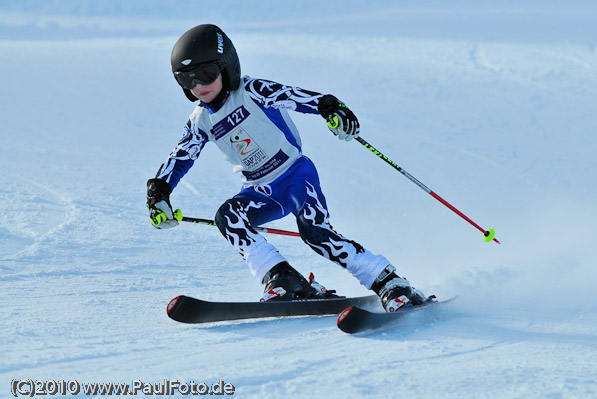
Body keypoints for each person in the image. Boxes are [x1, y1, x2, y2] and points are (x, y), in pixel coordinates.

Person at [146, 24, 426, 311]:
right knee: (228, 216)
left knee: (315, 233)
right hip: (259, 190)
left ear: (227, 67)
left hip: (295, 176)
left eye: (205, 75)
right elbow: (181, 155)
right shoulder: (200, 121)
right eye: (186, 80)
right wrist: (160, 193)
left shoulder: (252, 91)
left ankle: (388, 281)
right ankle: (280, 275)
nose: (198, 87)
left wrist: (330, 107)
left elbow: (293, 96)